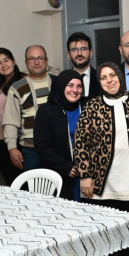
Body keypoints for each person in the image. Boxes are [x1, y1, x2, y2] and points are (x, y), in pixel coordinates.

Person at [74, 62, 129, 256]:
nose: (109, 80)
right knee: (99, 228)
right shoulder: (92, 106)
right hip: (101, 181)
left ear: (120, 76)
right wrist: (85, 175)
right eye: (103, 77)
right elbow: (80, 142)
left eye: (112, 75)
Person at [2, 45, 59, 174]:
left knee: (58, 185)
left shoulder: (58, 83)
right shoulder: (16, 88)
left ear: (46, 60)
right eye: (32, 59)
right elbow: (10, 120)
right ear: (26, 62)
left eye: (40, 58)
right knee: (33, 186)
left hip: (56, 148)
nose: (36, 62)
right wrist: (12, 148)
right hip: (30, 151)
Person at [34, 70, 85, 202]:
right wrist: (66, 166)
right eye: (70, 85)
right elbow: (41, 146)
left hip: (87, 174)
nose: (75, 90)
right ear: (61, 86)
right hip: (60, 173)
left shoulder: (88, 106)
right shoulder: (46, 110)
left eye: (79, 86)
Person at [0, 47, 24, 184]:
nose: (3, 65)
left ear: (14, 61)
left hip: (19, 139)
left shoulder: (24, 80)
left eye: (6, 60)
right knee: (9, 181)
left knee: (22, 181)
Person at [66, 32, 102, 99]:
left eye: (84, 49)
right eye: (74, 50)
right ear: (69, 55)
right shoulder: (62, 81)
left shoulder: (101, 78)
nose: (79, 53)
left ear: (90, 53)